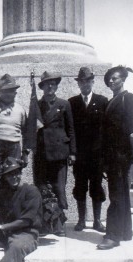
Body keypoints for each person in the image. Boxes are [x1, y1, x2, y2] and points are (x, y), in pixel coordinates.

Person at [97, 66, 133, 250]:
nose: (111, 81)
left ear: (123, 79)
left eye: (115, 78)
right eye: (110, 79)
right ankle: (125, 232)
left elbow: (131, 126)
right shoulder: (112, 100)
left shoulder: (128, 98)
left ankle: (113, 235)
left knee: (116, 195)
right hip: (113, 155)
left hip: (120, 155)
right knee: (121, 193)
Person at [68, 67, 108, 232]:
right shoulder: (72, 103)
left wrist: (105, 155)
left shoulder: (102, 101)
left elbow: (106, 130)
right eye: (81, 82)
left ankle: (97, 221)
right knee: (80, 186)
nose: (84, 84)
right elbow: (69, 129)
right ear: (78, 84)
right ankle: (81, 220)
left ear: (93, 81)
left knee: (96, 187)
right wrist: (72, 152)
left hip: (97, 155)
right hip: (80, 156)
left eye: (87, 81)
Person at [33, 71, 76, 213]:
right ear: (42, 87)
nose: (50, 87)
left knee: (59, 187)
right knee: (43, 187)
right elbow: (30, 130)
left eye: (53, 84)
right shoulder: (36, 106)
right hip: (42, 152)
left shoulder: (64, 104)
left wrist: (72, 152)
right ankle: (46, 222)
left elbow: (70, 130)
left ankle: (60, 222)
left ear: (56, 87)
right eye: (47, 84)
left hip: (60, 153)